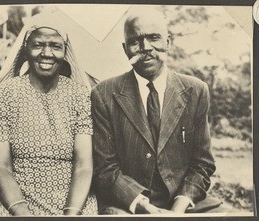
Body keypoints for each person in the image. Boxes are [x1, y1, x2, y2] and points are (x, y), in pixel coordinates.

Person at [91, 7, 222, 215]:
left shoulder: (196, 90)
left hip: (181, 203)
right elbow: (105, 168)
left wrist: (178, 209)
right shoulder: (103, 94)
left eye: (154, 38)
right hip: (127, 204)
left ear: (168, 42)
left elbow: (202, 163)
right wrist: (144, 206)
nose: (146, 48)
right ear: (125, 49)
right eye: (135, 42)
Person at [0, 18, 98, 216]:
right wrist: (23, 212)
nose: (47, 53)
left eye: (55, 46)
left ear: (65, 52)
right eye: (38, 45)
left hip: (72, 197)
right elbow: (1, 166)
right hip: (14, 197)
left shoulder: (79, 94)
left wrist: (71, 213)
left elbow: (83, 165)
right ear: (26, 48)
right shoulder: (3, 95)